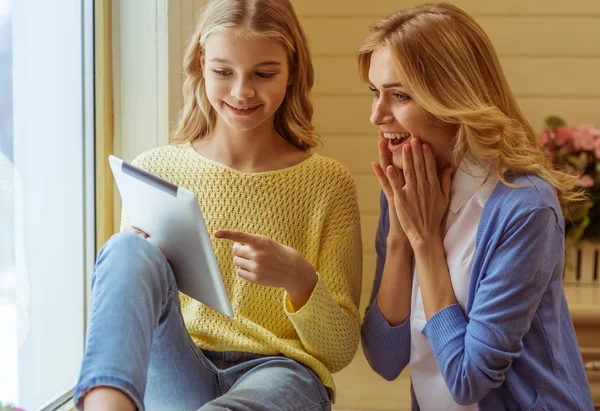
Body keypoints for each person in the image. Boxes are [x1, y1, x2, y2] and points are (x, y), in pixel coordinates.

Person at [74, 0, 363, 409]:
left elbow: (340, 351)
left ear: (293, 70)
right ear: (200, 63)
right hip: (177, 368)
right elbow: (129, 297)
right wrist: (145, 265)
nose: (242, 91)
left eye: (264, 73)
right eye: (223, 72)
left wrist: (300, 281)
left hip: (279, 374)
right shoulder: (155, 170)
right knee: (125, 249)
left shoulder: (328, 185)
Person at [358, 3, 594, 410]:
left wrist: (425, 243)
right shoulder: (404, 188)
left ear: (452, 97)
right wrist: (400, 236)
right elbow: (385, 359)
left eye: (399, 95)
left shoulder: (525, 208)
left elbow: (469, 380)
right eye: (375, 92)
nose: (376, 114)